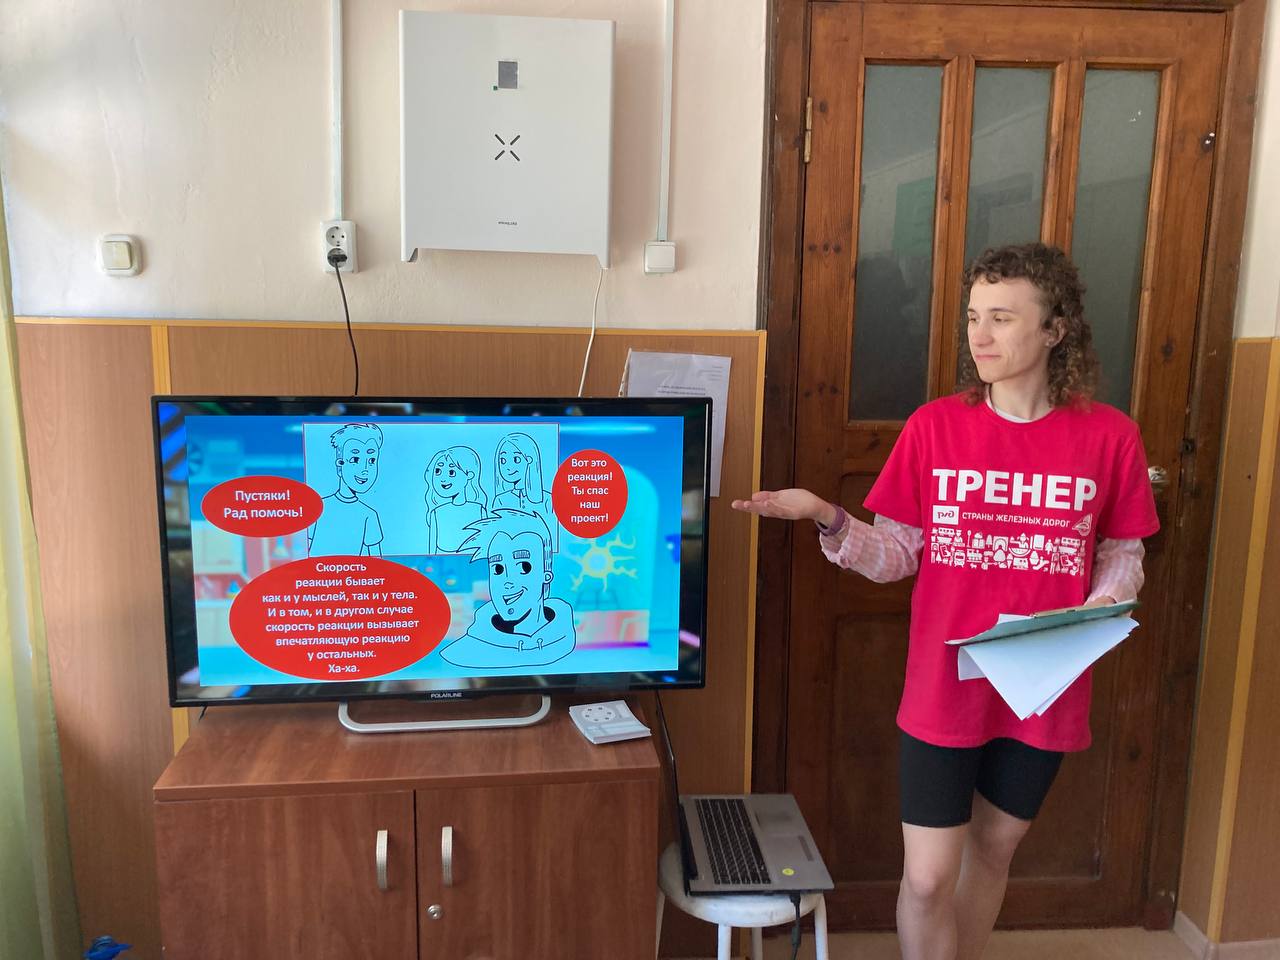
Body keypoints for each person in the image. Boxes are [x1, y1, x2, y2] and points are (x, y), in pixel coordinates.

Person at [732, 243, 1158, 960]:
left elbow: (1122, 554)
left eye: (1002, 318)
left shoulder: (1110, 436)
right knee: (929, 878)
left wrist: (1099, 605)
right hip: (945, 684)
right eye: (972, 317)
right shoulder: (934, 427)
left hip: (1044, 686)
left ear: (1055, 329)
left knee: (992, 852)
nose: (979, 335)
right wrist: (827, 517)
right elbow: (896, 557)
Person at [439, 508, 576, 668]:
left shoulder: (564, 641)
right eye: (498, 569)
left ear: (546, 576)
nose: (508, 581)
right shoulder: (465, 652)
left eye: (524, 567)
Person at [307, 422, 384, 557]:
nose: (365, 469)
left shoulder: (369, 515)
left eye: (371, 460)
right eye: (355, 459)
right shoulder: (317, 507)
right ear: (339, 465)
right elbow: (301, 550)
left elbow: (378, 562)